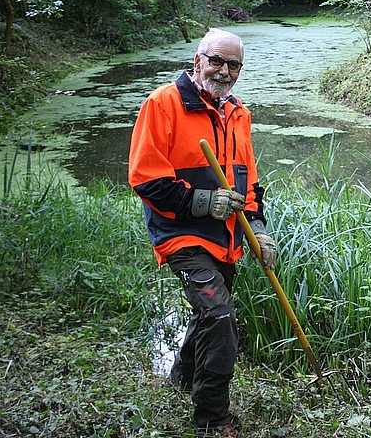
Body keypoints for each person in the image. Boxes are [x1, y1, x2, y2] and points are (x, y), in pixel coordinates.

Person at [128, 28, 277, 438]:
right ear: (198, 60)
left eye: (233, 65)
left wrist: (259, 231)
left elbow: (248, 186)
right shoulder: (163, 104)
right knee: (219, 314)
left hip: (226, 238)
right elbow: (145, 179)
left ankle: (179, 379)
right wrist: (202, 202)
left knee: (207, 316)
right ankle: (212, 417)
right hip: (181, 234)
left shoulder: (238, 114)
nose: (224, 71)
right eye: (217, 61)